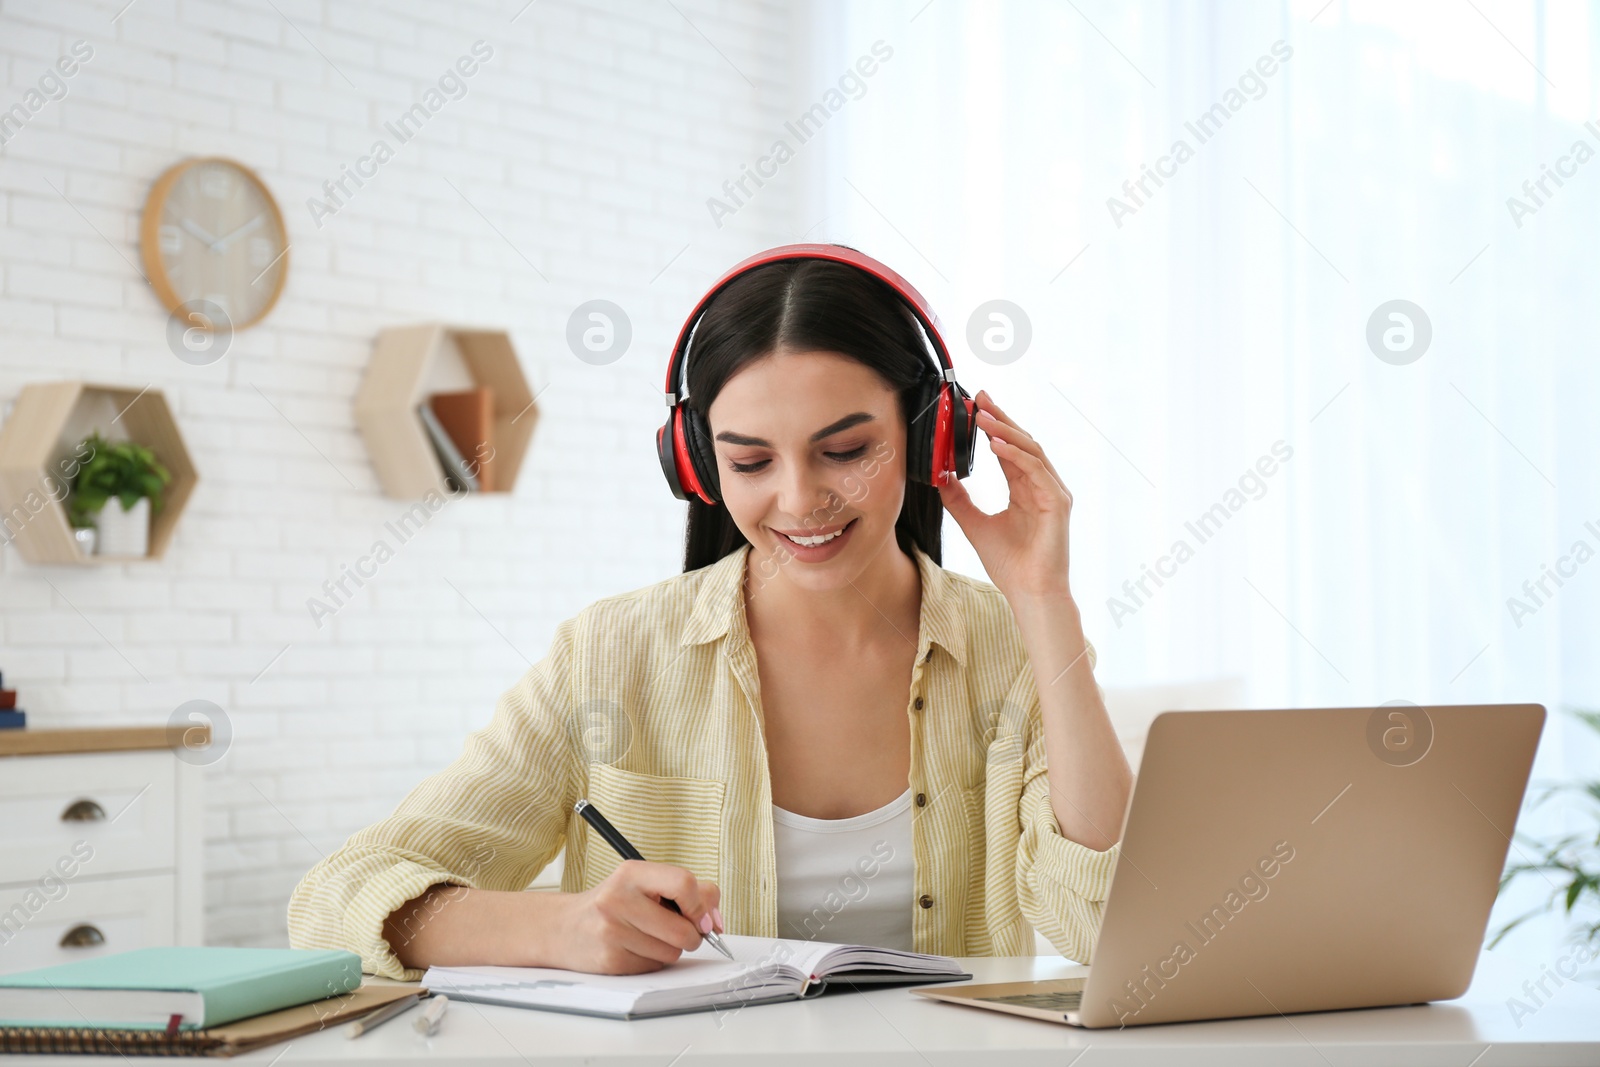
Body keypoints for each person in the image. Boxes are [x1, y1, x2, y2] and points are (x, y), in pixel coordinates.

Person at [286, 245, 1134, 981]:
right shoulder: (610, 654)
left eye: (846, 450)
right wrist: (563, 926)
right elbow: (337, 896)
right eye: (752, 460)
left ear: (929, 436)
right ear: (698, 464)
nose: (800, 499)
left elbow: (1104, 923)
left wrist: (1041, 600)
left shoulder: (1011, 646)